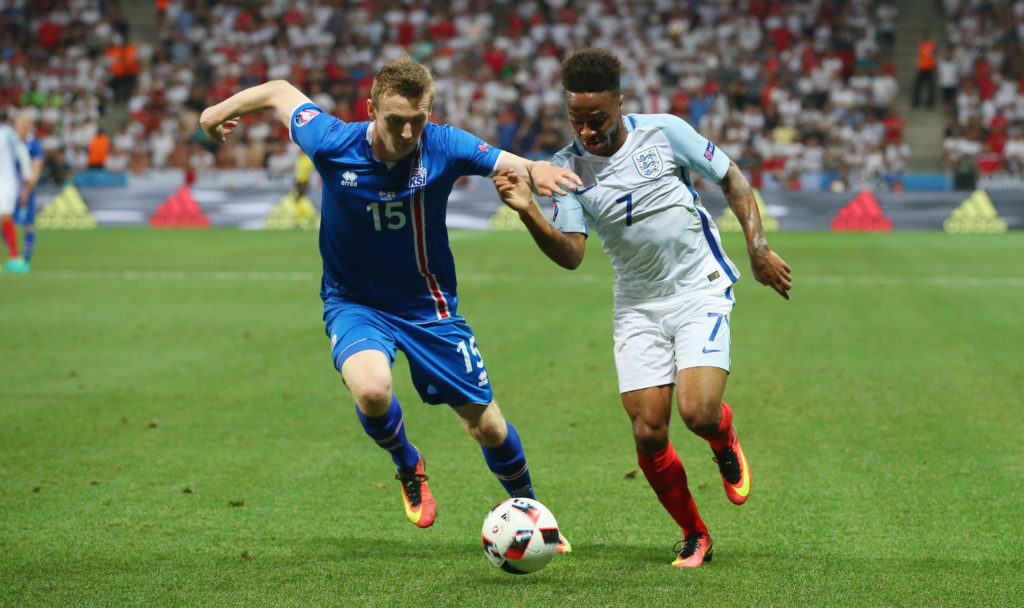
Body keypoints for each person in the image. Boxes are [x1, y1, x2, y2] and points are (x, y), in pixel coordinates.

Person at [199, 57, 580, 549]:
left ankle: (531, 511)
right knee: (373, 390)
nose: (405, 132)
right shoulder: (332, 142)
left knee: (486, 425)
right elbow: (278, 89)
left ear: (430, 112)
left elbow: (511, 162)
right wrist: (215, 113)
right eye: (394, 119)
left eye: (416, 120)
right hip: (354, 302)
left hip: (428, 307)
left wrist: (536, 169)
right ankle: (407, 462)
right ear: (371, 109)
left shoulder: (443, 144)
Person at [493, 48, 792, 568]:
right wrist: (528, 214)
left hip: (697, 286)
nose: (587, 131)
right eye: (577, 120)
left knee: (697, 413)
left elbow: (733, 179)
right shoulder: (565, 170)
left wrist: (758, 246)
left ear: (619, 103)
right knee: (648, 430)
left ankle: (722, 436)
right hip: (637, 303)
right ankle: (695, 534)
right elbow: (571, 254)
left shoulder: (665, 132)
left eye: (598, 119)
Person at [1, 117, 33, 273]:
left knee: (5, 217)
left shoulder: (7, 133)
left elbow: (22, 152)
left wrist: (27, 178)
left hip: (6, 183)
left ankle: (15, 257)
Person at [13, 115, 45, 269]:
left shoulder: (34, 145)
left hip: (26, 190)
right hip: (9, 190)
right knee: (5, 222)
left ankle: (25, 260)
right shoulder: (12, 144)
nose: (18, 129)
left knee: (28, 224)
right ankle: (12, 257)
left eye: (20, 126)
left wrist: (26, 190)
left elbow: (36, 170)